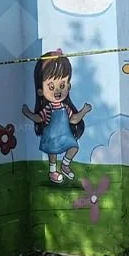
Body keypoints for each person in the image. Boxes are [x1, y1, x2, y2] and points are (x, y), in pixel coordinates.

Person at [22, 51, 92, 184]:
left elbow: (73, 119)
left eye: (62, 85)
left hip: (65, 136)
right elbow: (39, 118)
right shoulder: (49, 108)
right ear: (41, 90)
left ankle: (65, 165)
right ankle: (53, 172)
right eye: (51, 86)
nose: (57, 91)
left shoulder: (65, 107)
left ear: (68, 86)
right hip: (52, 137)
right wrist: (28, 113)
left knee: (74, 148)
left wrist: (83, 111)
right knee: (52, 153)